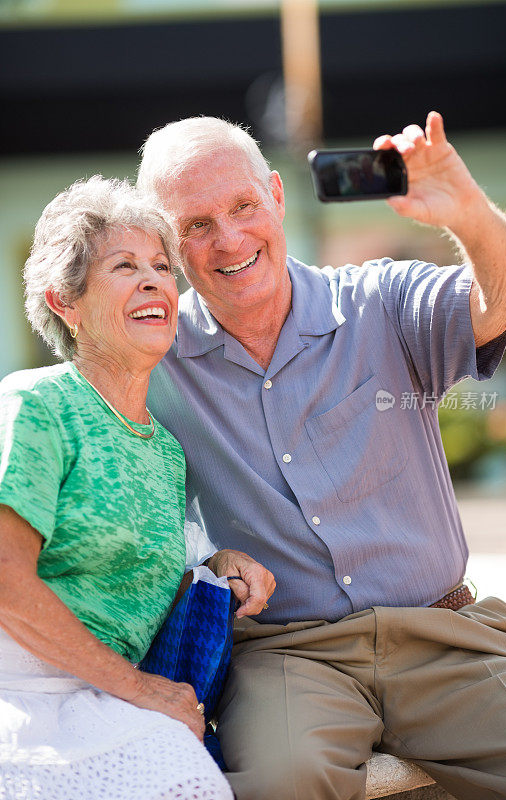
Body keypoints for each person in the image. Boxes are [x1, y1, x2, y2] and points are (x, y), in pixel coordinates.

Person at [138, 112, 506, 800]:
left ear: (276, 197)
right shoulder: (152, 360)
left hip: (444, 634)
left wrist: (466, 212)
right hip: (290, 656)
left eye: (241, 206)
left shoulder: (379, 300)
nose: (228, 238)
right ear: (165, 243)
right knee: (277, 783)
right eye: (194, 225)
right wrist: (201, 560)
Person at [0, 175, 275, 800]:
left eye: (160, 266)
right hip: (20, 699)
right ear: (64, 302)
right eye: (124, 266)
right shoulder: (36, 404)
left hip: (112, 702)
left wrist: (212, 566)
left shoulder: (166, 450)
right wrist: (141, 689)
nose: (155, 280)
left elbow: (125, 576)